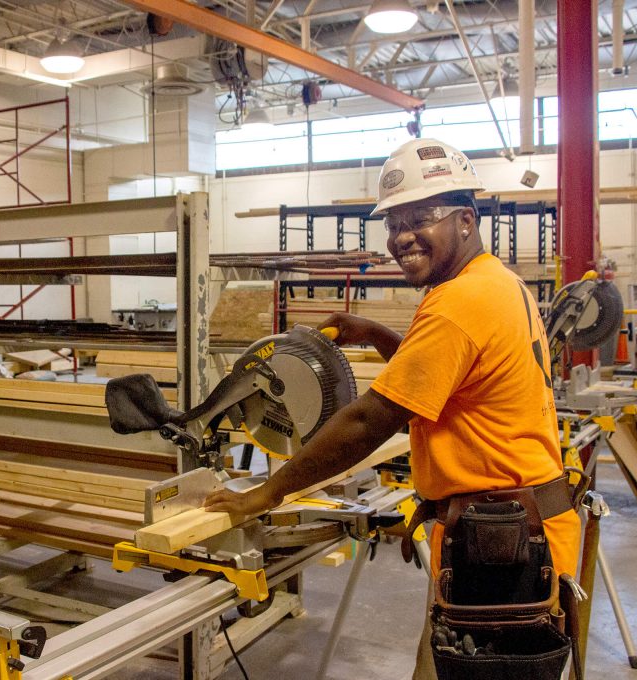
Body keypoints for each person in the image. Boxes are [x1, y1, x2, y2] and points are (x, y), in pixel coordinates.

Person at [204, 138, 581, 678]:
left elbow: (368, 420)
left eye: (421, 218)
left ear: (466, 221)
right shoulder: (498, 283)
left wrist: (266, 492)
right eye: (394, 222)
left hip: (502, 550)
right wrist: (372, 332)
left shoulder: (457, 303)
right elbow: (442, 380)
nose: (402, 237)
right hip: (508, 533)